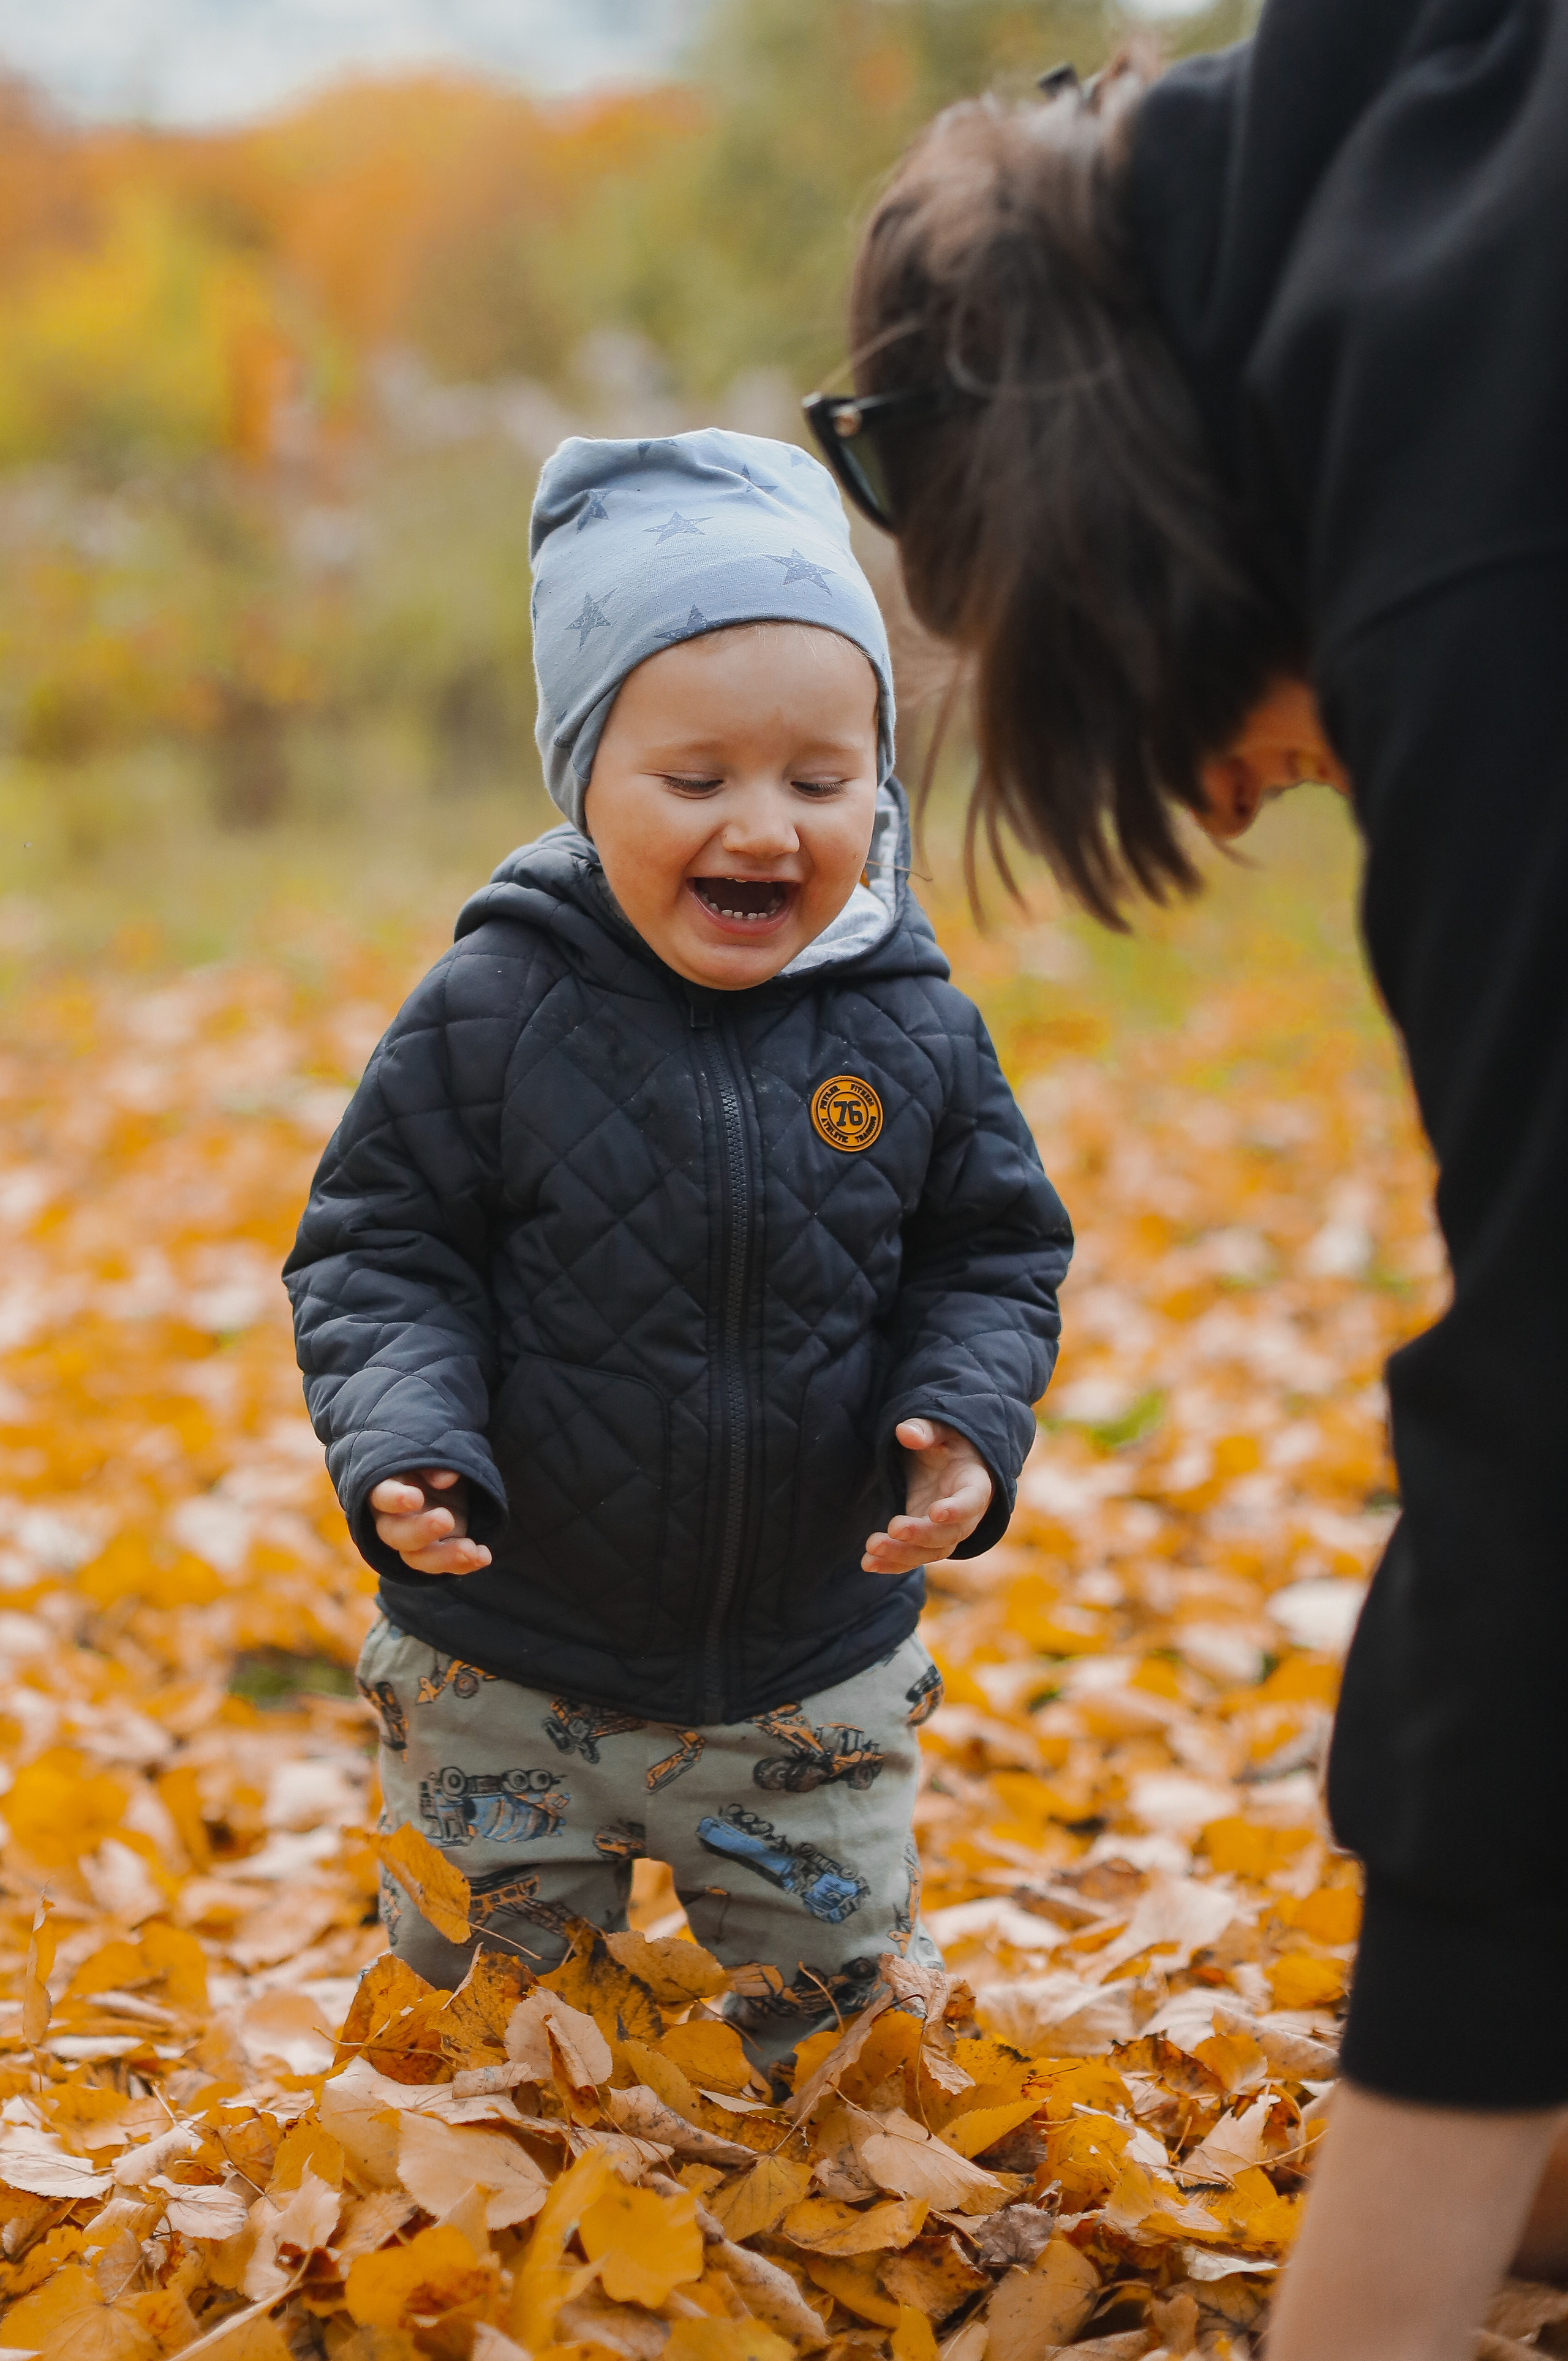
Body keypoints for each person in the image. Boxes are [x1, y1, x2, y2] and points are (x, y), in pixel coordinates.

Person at [817, 2, 1568, 2349]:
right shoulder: (1440, 184)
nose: (1226, 808)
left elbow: (1551, 1434)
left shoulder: (1483, 529)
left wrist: (1376, 2285)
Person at [284, 428, 1072, 2063]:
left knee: (846, 2052)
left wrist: (966, 1426)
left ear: (882, 778)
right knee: (473, 2052)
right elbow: (381, 1249)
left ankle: (823, 2177)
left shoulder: (914, 1028)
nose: (767, 829)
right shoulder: (497, 1009)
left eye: (821, 779)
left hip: (809, 1668)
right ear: (585, 780)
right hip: (506, 1659)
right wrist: (408, 1447)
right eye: (697, 782)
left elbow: (992, 1254)